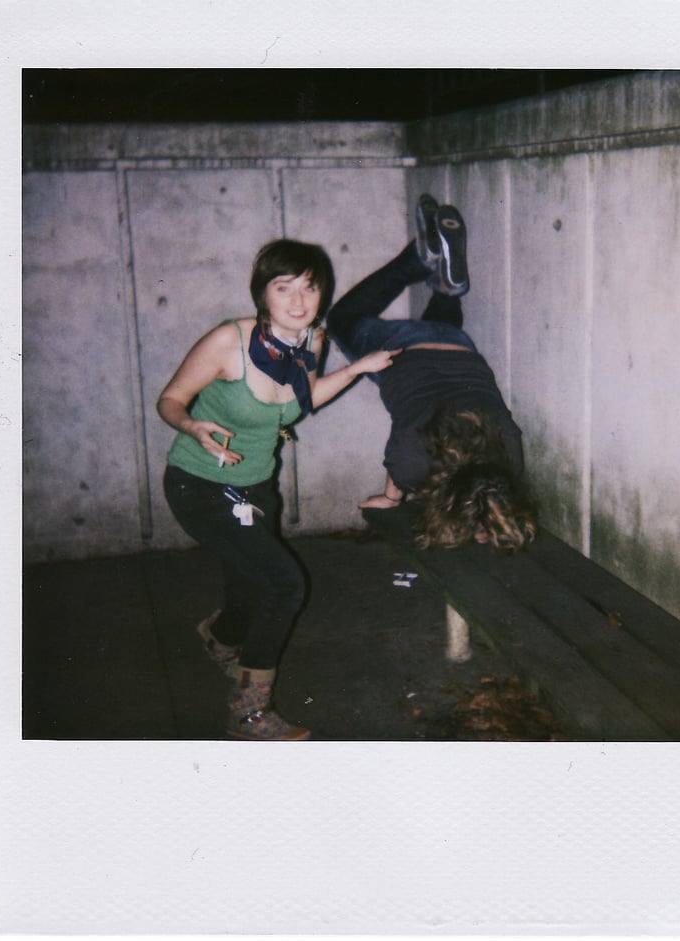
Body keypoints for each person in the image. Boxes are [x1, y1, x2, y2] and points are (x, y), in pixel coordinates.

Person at [157, 238, 397, 741]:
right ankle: (248, 712)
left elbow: (304, 398)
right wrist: (192, 427)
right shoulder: (229, 342)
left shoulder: (312, 340)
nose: (297, 300)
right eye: (283, 287)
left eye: (309, 287)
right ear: (261, 294)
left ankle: (220, 639)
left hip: (253, 487)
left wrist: (355, 368)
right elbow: (171, 399)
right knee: (284, 583)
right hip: (201, 484)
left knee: (248, 574)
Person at [326, 194, 536, 553]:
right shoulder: (412, 465)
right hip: (403, 352)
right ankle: (418, 259)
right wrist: (391, 500)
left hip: (459, 347)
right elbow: (397, 473)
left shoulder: (510, 460)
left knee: (437, 334)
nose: (480, 537)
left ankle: (447, 290)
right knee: (340, 321)